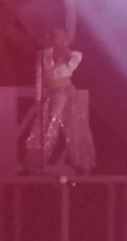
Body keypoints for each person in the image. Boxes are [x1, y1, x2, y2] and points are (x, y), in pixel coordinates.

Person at [25, 27, 96, 173]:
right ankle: (34, 164)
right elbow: (39, 78)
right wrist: (38, 100)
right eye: (55, 36)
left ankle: (82, 165)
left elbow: (71, 63)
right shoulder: (43, 55)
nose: (57, 39)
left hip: (67, 94)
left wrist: (63, 48)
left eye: (61, 36)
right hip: (51, 95)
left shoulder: (76, 55)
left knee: (75, 128)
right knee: (44, 129)